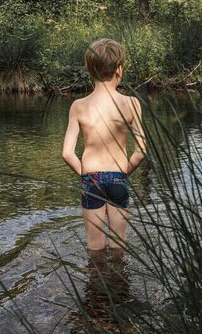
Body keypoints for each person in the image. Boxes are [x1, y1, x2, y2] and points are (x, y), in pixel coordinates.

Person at [61, 38, 145, 251]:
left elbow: (67, 154)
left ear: (90, 71)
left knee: (94, 246)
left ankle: (95, 273)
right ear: (119, 69)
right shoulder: (131, 103)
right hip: (118, 177)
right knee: (119, 243)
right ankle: (119, 272)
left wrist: (86, 175)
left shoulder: (78, 106)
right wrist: (123, 173)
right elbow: (141, 151)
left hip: (92, 179)